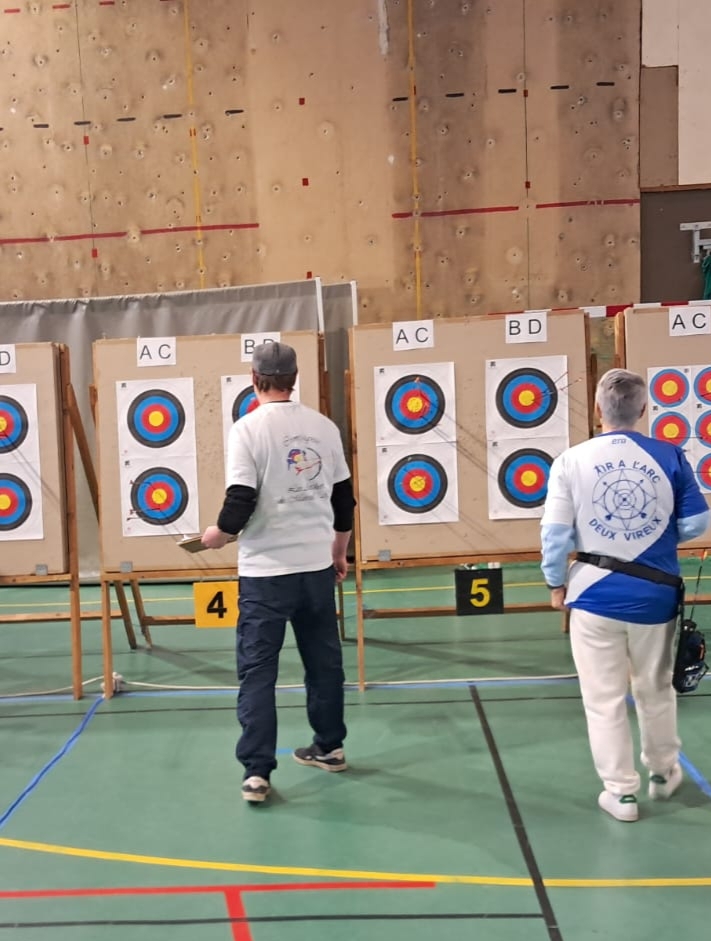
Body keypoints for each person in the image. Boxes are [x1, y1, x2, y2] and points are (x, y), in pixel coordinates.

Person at [540, 368, 709, 822]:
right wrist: (659, 540)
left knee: (604, 700)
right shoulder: (670, 456)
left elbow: (555, 535)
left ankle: (621, 793)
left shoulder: (570, 460)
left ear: (598, 409)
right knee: (655, 689)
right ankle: (664, 772)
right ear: (644, 409)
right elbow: (697, 522)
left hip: (592, 597)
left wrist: (555, 583)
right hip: (655, 597)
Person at [201, 341, 355, 804]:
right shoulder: (324, 427)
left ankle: (257, 773)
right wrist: (340, 553)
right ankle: (329, 747)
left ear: (254, 379)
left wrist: (219, 534)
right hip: (315, 569)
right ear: (294, 378)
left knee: (258, 672)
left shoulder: (247, 428)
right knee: (324, 663)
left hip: (266, 574)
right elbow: (343, 500)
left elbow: (240, 499)